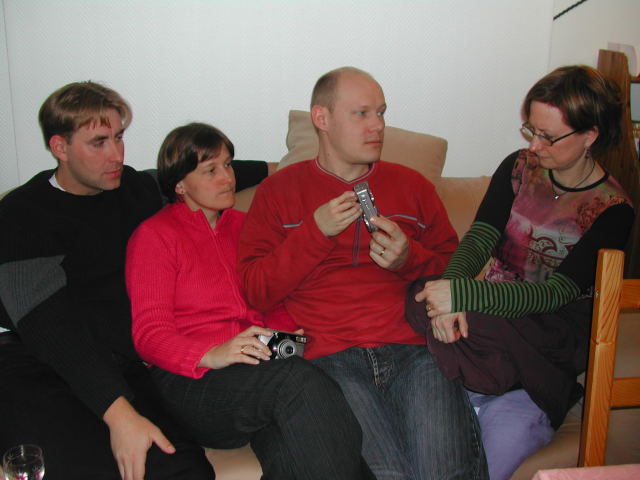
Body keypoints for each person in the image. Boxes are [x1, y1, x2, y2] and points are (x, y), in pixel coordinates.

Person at [0, 82, 270, 480]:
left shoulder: (134, 189)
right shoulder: (23, 214)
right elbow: (51, 329)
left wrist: (283, 168)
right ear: (60, 147)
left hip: (123, 367)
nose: (116, 154)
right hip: (37, 363)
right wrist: (119, 415)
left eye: (119, 137)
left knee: (186, 470)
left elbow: (191, 173)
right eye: (99, 142)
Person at [238, 67, 488, 480]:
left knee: (446, 472)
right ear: (321, 118)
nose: (378, 126)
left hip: (415, 349)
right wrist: (314, 233)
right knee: (387, 474)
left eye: (381, 113)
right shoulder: (277, 193)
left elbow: (457, 271)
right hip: (328, 357)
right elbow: (255, 291)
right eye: (361, 114)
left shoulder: (413, 187)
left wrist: (409, 258)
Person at [407, 65, 634, 480]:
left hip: (549, 328)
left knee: (453, 315)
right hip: (492, 320)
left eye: (548, 136)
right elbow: (480, 239)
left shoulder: (613, 210)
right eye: (531, 130)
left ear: (589, 136)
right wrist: (450, 290)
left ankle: (483, 379)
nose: (534, 145)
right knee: (419, 293)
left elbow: (555, 294)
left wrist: (462, 297)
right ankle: (484, 377)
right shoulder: (519, 167)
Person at [125, 122, 376, 480]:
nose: (227, 178)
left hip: (258, 367)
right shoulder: (155, 236)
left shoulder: (246, 226)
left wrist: (291, 337)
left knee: (312, 442)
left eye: (228, 165)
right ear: (180, 184)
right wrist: (212, 353)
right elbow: (149, 335)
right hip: (191, 380)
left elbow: (273, 297)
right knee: (297, 383)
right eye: (210, 170)